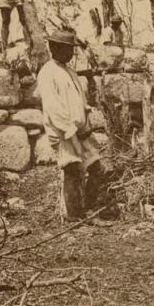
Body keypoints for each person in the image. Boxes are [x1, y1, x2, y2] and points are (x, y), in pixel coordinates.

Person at [36, 29, 108, 222]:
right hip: (63, 131)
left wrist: (85, 116)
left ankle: (90, 207)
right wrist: (70, 130)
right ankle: (74, 215)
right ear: (54, 48)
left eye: (71, 50)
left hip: (80, 129)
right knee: (72, 169)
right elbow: (53, 107)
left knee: (96, 168)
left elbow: (78, 98)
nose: (71, 54)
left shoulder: (70, 71)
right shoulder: (47, 73)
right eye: (67, 49)